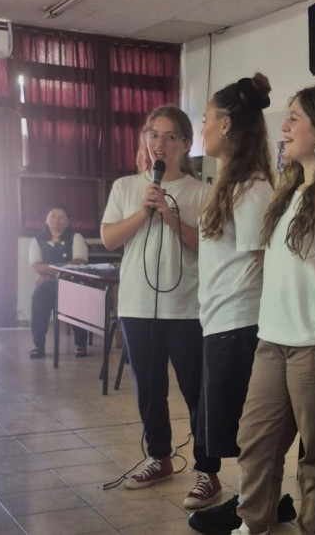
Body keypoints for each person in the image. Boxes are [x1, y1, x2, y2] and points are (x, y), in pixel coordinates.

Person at [198, 86, 315, 535]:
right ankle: (251, 524)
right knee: (255, 442)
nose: (284, 126)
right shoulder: (292, 190)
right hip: (273, 341)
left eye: (295, 118)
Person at [100, 105, 221, 506]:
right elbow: (109, 240)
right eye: (153, 134)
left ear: (187, 144)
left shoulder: (203, 193)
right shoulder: (125, 187)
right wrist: (144, 212)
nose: (160, 144)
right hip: (137, 306)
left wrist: (172, 218)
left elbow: (211, 248)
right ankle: (159, 457)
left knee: (195, 389)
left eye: (170, 136)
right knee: (149, 388)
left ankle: (208, 471)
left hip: (187, 307)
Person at [184, 74, 274, 511]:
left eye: (205, 120)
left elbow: (267, 265)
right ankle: (244, 501)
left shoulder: (252, 189)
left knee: (242, 427)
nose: (201, 129)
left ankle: (254, 505)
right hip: (219, 319)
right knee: (219, 421)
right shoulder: (231, 184)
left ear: (224, 126)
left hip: (241, 322)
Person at [29, 204, 89, 358]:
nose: (57, 220)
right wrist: (62, 268)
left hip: (72, 281)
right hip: (48, 285)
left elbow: (79, 262)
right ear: (46, 220)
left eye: (62, 217)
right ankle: (38, 344)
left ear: (68, 221)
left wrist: (50, 272)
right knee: (39, 296)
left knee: (77, 295)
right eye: (53, 216)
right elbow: (37, 266)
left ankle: (80, 343)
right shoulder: (37, 240)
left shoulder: (76, 237)